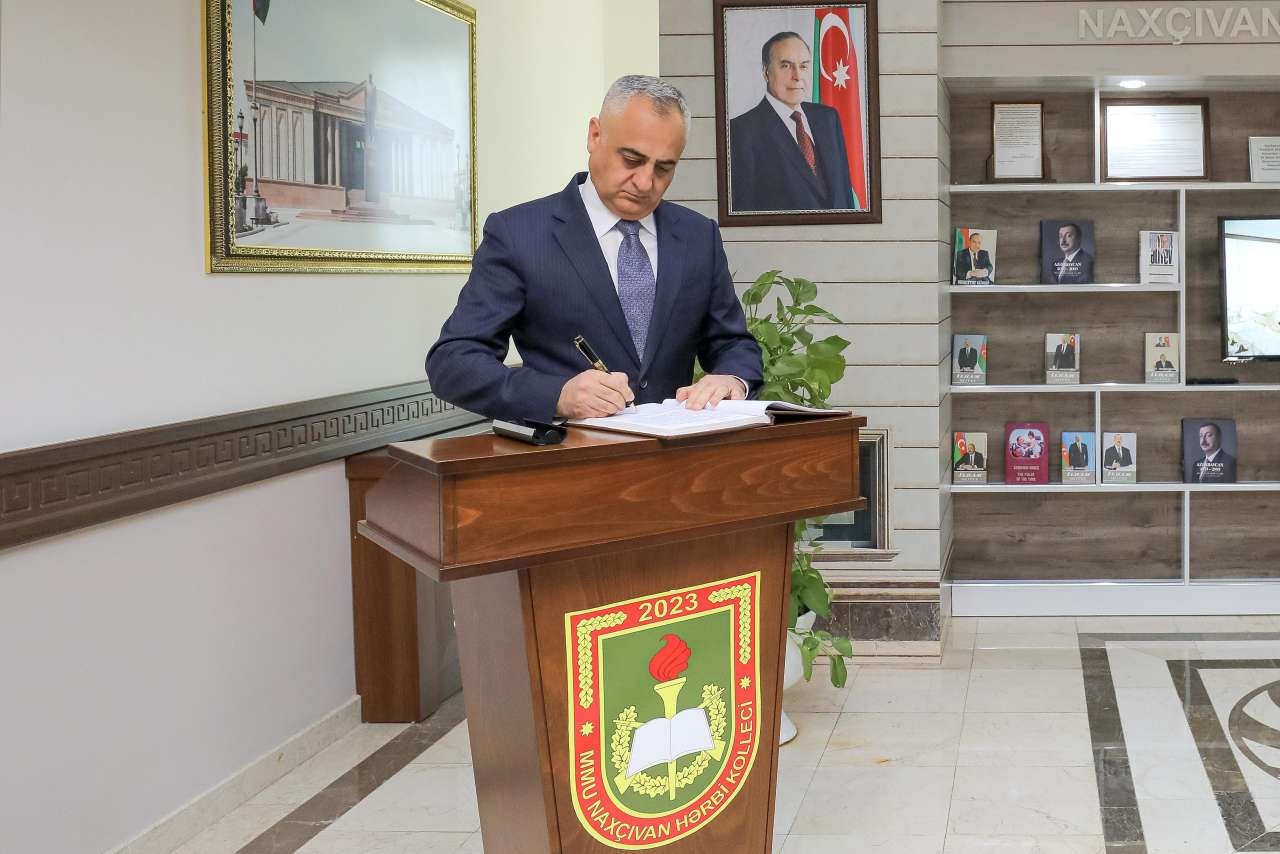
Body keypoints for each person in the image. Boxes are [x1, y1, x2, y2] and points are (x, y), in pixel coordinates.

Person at [426, 76, 763, 423]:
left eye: (664, 168)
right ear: (594, 135)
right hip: (567, 452)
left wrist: (732, 379)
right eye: (631, 159)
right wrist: (557, 396)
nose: (645, 182)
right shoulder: (518, 234)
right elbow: (452, 362)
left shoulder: (699, 237)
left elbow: (734, 345)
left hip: (677, 454)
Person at [728, 32, 854, 212]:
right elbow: (744, 212)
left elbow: (845, 194)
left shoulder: (828, 118)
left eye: (803, 66)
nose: (797, 76)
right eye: (786, 66)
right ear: (766, 71)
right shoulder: (741, 131)